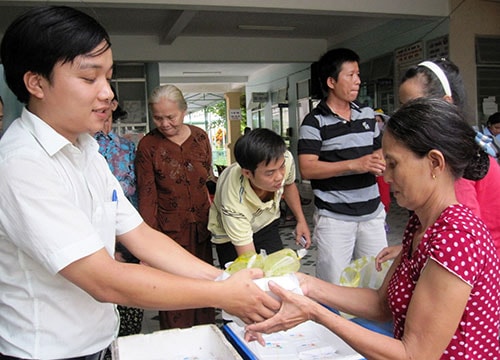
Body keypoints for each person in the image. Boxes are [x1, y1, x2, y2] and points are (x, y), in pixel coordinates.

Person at [0, 6, 280, 359]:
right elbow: (104, 279)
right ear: (36, 82)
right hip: (48, 352)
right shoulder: (21, 165)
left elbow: (141, 235)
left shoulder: (86, 151)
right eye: (90, 78)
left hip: (97, 342)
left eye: (108, 77)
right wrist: (224, 295)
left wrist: (222, 281)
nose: (106, 94)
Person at [247, 98, 500, 359]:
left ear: (435, 163)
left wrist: (315, 312)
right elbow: (382, 304)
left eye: (393, 164)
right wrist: (307, 286)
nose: (386, 177)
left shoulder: (456, 239)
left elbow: (415, 355)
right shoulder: (422, 224)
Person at [376, 59, 500, 267]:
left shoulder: (455, 165)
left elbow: (462, 243)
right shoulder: (458, 147)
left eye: (414, 107)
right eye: (403, 107)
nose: (405, 117)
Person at [298, 48, 387, 285]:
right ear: (331, 81)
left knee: (378, 280)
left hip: (372, 214)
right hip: (335, 218)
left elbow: (379, 149)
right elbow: (307, 168)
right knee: (334, 285)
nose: (358, 80)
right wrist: (354, 164)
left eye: (358, 74)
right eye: (351, 75)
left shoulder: (367, 115)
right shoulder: (314, 122)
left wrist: (379, 159)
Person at [135, 84, 215, 330]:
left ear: (184, 111)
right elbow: (147, 196)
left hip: (203, 228)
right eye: (158, 117)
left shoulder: (200, 137)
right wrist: (147, 247)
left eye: (171, 116)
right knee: (174, 294)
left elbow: (208, 179)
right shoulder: (148, 145)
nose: (165, 123)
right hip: (168, 233)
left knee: (205, 288)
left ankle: (206, 338)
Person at [208, 128, 311, 268]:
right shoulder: (233, 202)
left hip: (266, 223)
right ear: (247, 173)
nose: (280, 176)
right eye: (270, 173)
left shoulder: (284, 158)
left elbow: (289, 185)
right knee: (243, 278)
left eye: (281, 168)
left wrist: (301, 220)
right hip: (229, 235)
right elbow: (251, 262)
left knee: (279, 269)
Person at [93, 87, 144, 346]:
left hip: (129, 237)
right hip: (94, 244)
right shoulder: (82, 148)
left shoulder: (127, 147)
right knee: (98, 312)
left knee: (130, 313)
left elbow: (134, 197)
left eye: (111, 102)